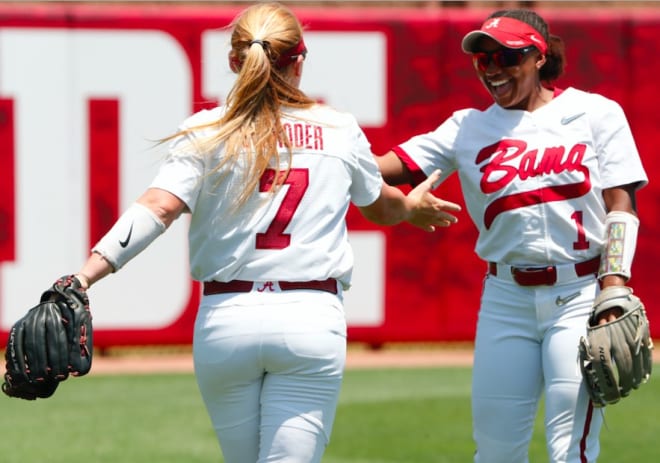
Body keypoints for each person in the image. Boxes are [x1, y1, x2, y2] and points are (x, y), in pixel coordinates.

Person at [60, 2, 461, 462]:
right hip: (310, 314)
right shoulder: (337, 128)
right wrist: (410, 208)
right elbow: (383, 207)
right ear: (300, 59)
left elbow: (158, 208)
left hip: (226, 318)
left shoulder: (207, 128)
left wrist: (84, 277)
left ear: (234, 61)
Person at [376, 8, 647, 463]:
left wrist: (614, 286)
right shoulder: (468, 127)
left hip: (580, 293)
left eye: (506, 56)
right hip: (505, 300)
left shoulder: (595, 113)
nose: (494, 68)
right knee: (496, 452)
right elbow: (376, 167)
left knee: (570, 451)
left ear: (539, 57)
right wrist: (390, 196)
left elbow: (621, 205)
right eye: (483, 60)